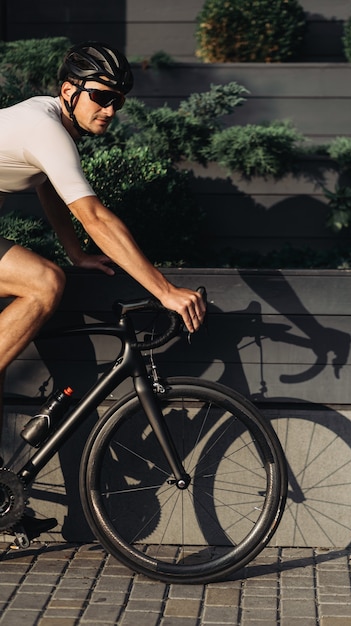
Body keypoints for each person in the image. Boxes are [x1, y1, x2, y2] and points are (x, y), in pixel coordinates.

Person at [0, 42, 206, 541]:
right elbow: (94, 213)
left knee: (50, 277)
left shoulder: (47, 124)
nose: (110, 110)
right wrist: (164, 290)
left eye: (118, 100)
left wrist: (74, 252)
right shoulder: (45, 127)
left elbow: (48, 187)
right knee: (44, 283)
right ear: (69, 91)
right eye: (101, 97)